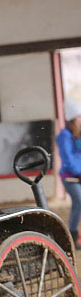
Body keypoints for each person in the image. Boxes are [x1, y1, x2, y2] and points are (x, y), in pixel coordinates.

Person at [56, 97, 81, 248]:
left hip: (78, 174)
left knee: (78, 204)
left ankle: (73, 235)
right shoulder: (64, 135)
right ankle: (72, 234)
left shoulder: (78, 134)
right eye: (78, 117)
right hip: (70, 177)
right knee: (79, 202)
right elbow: (67, 159)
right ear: (72, 119)